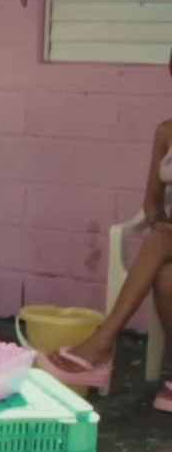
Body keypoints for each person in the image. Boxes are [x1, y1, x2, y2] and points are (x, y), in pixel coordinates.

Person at [39, 48, 172, 411]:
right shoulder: (166, 131)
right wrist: (158, 220)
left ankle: (101, 344)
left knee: (162, 240)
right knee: (165, 276)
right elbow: (151, 202)